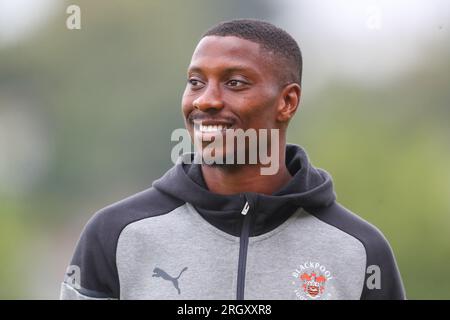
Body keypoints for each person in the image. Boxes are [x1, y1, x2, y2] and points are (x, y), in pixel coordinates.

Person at [60, 19, 405, 300]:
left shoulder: (360, 251)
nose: (206, 100)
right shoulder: (115, 234)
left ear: (287, 102)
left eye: (235, 83)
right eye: (196, 82)